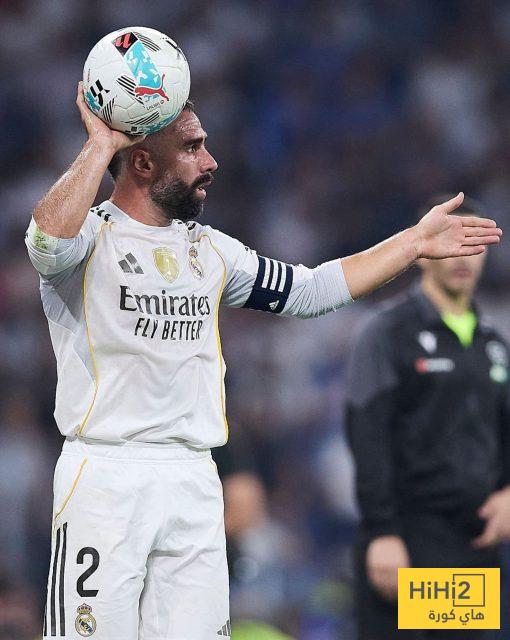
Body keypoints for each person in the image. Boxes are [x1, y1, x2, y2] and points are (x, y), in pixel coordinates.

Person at [25, 80, 501, 640]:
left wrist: (412, 243)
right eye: (193, 147)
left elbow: (309, 291)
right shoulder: (85, 242)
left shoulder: (211, 251)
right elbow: (44, 242)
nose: (211, 161)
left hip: (195, 479)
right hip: (107, 475)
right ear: (144, 163)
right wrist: (101, 143)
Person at [346, 194, 510, 640]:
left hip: (472, 542)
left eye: (475, 243)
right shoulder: (388, 334)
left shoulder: (493, 344)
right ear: (422, 251)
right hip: (410, 540)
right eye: (453, 240)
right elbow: (367, 432)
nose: (464, 255)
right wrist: (382, 532)